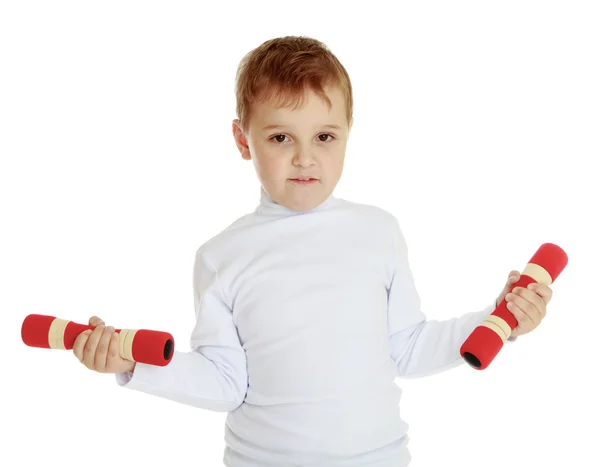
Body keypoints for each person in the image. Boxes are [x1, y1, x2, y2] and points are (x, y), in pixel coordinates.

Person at [72, 36, 553, 466]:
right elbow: (223, 380)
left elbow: (407, 348)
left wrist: (501, 318)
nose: (305, 157)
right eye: (281, 137)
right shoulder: (221, 256)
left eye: (324, 136)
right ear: (243, 140)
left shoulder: (378, 232)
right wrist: (133, 364)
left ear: (347, 132)